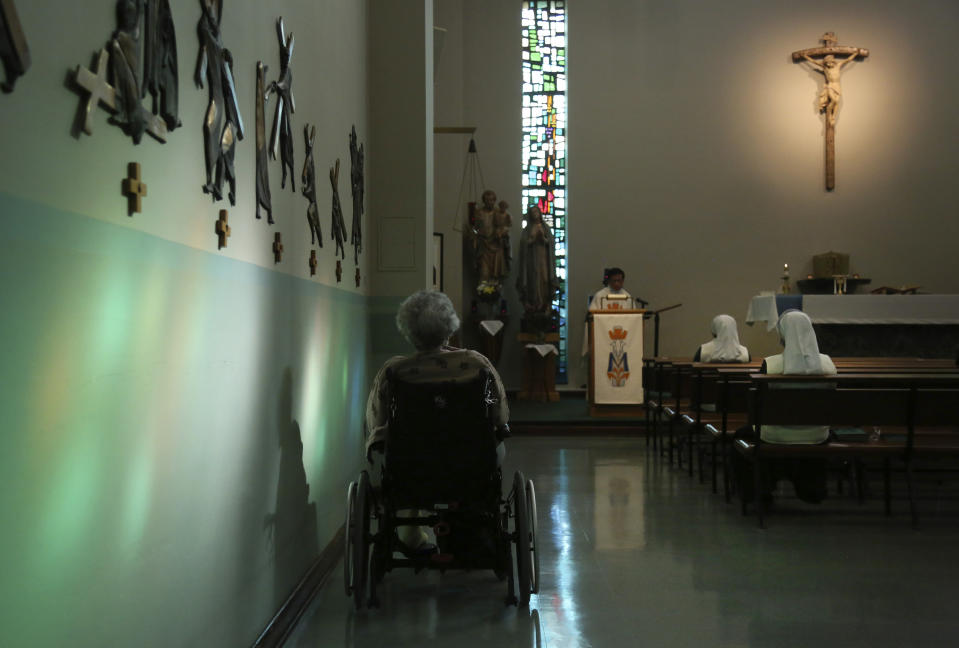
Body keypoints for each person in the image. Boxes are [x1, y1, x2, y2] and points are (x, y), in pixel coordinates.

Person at [365, 290, 509, 551]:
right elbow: (500, 415)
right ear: (449, 327)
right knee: (494, 446)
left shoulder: (394, 371)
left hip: (412, 467)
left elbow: (376, 420)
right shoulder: (477, 364)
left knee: (397, 452)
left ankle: (411, 535)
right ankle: (470, 525)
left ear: (408, 330)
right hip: (470, 465)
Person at [733, 310, 837, 505]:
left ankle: (759, 492)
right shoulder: (827, 364)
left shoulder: (771, 364)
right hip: (816, 435)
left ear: (783, 336)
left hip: (774, 435)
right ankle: (812, 487)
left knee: (741, 435)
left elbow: (757, 404)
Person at [515, 205, 559, 314]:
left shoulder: (545, 228)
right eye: (532, 212)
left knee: (544, 279)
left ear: (540, 213)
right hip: (531, 260)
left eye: (536, 211)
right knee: (533, 280)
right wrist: (533, 239)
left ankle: (545, 304)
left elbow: (551, 243)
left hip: (544, 259)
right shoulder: (527, 229)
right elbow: (523, 244)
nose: (535, 213)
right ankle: (534, 305)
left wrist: (543, 239)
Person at [802, 50, 860, 126]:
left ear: (833, 61)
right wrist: (805, 56)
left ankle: (833, 117)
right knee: (833, 100)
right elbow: (814, 62)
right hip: (830, 86)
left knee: (837, 102)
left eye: (830, 62)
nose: (828, 64)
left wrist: (855, 54)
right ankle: (830, 116)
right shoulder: (825, 68)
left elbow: (848, 60)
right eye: (827, 63)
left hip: (837, 86)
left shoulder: (838, 65)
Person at [468, 190, 511, 287]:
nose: (490, 202)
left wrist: (501, 233)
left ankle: (495, 293)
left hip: (496, 246)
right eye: (487, 200)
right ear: (484, 201)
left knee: (495, 275)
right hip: (483, 245)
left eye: (492, 200)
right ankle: (483, 292)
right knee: (484, 273)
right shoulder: (479, 213)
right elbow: (475, 229)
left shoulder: (498, 212)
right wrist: (474, 236)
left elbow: (506, 226)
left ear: (495, 201)